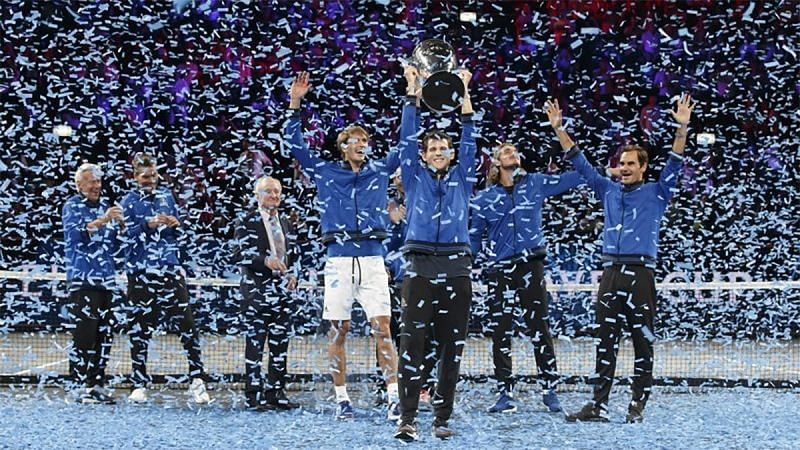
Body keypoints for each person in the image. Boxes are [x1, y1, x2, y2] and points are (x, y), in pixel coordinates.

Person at [544, 95, 693, 423]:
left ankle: (637, 406)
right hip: (610, 274)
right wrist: (559, 129)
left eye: (631, 164)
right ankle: (598, 405)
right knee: (605, 342)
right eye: (621, 163)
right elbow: (579, 161)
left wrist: (681, 127)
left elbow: (676, 159)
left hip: (641, 275)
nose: (624, 168)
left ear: (643, 167)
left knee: (643, 343)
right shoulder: (607, 190)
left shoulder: (657, 191)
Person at [284, 71, 415, 421]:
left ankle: (392, 397)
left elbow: (406, 143)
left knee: (383, 328)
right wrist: (295, 102)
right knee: (338, 329)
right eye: (355, 139)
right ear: (342, 146)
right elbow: (294, 145)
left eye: (365, 140)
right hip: (339, 260)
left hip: (373, 257)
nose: (362, 144)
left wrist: (411, 97)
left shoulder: (379, 171)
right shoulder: (327, 171)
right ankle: (342, 399)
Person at [470, 143, 584, 414]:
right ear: (496, 163)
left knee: (539, 328)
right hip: (500, 270)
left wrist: (568, 146)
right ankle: (505, 392)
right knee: (501, 331)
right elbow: (474, 238)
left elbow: (581, 175)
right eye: (507, 151)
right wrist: (465, 264)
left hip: (531, 266)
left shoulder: (535, 183)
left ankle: (549, 388)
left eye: (515, 151)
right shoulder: (484, 199)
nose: (514, 153)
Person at [394, 66, 475, 442]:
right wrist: (413, 92)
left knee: (451, 347)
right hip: (419, 266)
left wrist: (466, 91)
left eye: (445, 149)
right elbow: (405, 139)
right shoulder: (413, 176)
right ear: (424, 155)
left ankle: (442, 418)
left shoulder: (464, 177)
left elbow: (470, 136)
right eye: (433, 149)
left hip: (457, 267)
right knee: (412, 345)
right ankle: (407, 418)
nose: (440, 153)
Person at [121, 153, 210, 405]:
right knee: (140, 329)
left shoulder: (166, 197)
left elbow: (176, 234)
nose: (149, 180)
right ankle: (138, 383)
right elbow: (126, 237)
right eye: (144, 176)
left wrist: (175, 223)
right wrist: (147, 226)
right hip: (140, 274)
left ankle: (197, 380)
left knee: (187, 326)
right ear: (135, 177)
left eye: (153, 175)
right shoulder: (128, 201)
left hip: (170, 271)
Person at [233, 176, 300, 411]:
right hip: (256, 293)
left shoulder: (287, 222)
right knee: (255, 346)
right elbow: (241, 254)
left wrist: (293, 275)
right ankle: (253, 395)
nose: (274, 196)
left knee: (280, 345)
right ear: (257, 195)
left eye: (277, 192)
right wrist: (265, 261)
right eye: (269, 192)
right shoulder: (246, 221)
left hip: (282, 294)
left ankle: (276, 392)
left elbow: (295, 256)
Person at [62, 163, 123, 404]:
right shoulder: (71, 206)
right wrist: (103, 220)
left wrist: (120, 226)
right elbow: (77, 234)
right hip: (83, 282)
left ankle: (96, 384)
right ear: (79, 185)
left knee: (104, 336)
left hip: (106, 283)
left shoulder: (105, 208)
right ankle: (76, 387)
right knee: (83, 337)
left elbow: (112, 246)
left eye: (98, 181)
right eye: (91, 182)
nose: (96, 186)